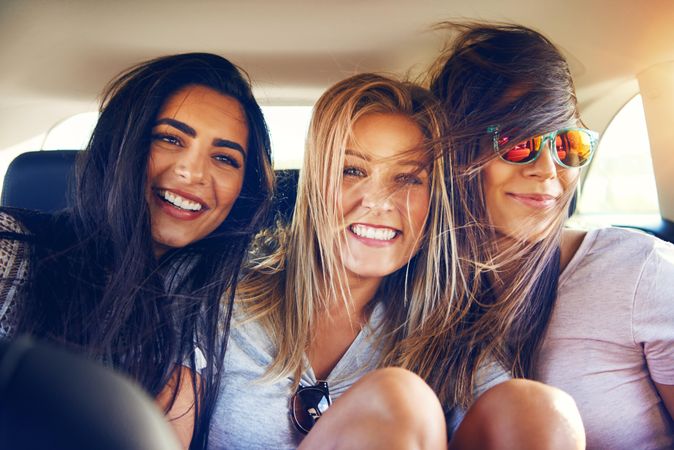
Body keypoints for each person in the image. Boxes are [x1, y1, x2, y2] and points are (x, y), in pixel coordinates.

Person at [208, 73, 585, 450]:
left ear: (434, 203)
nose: (379, 201)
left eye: (407, 179)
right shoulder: (218, 303)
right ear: (315, 184)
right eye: (352, 170)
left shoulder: (450, 339)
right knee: (398, 398)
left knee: (539, 410)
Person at [0, 52, 274, 449]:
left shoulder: (219, 307)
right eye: (169, 138)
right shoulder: (12, 252)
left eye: (223, 158)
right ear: (120, 144)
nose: (194, 173)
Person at [429, 22, 674, 449]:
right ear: (458, 153)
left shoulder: (640, 271)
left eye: (568, 145)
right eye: (518, 141)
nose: (547, 169)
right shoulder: (416, 293)